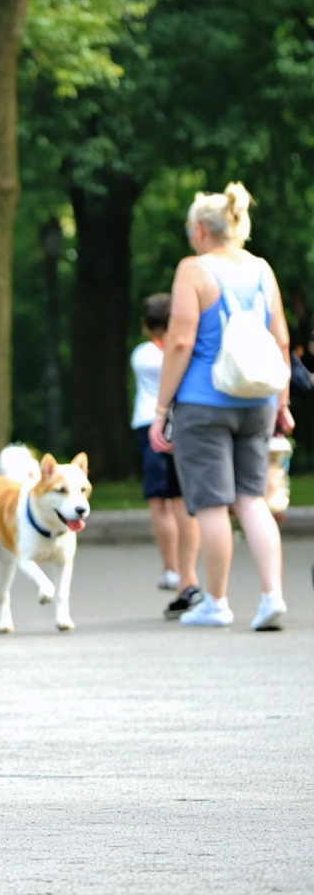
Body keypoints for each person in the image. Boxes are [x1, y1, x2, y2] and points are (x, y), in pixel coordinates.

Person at [149, 183, 292, 630]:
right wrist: (282, 403)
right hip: (259, 400)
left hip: (203, 403)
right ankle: (272, 596)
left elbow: (180, 342)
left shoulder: (193, 270)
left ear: (200, 231)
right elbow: (281, 340)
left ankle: (216, 601)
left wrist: (161, 409)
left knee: (211, 504)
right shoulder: (263, 270)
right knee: (253, 500)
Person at [129, 294, 201, 608]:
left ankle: (170, 567)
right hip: (182, 424)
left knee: (160, 502)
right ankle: (188, 572)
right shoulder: (187, 350)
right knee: (184, 501)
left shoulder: (143, 354)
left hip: (149, 424)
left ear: (147, 326)